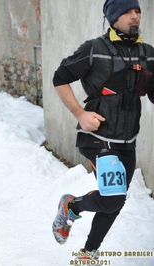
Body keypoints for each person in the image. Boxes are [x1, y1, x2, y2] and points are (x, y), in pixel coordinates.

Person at [51, 0, 154, 261]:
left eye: (138, 11)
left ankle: (88, 252)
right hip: (97, 137)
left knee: (114, 202)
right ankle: (70, 206)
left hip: (127, 138)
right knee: (113, 199)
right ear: (113, 17)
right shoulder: (94, 49)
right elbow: (60, 78)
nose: (135, 16)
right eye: (128, 12)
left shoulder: (148, 53)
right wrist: (80, 113)